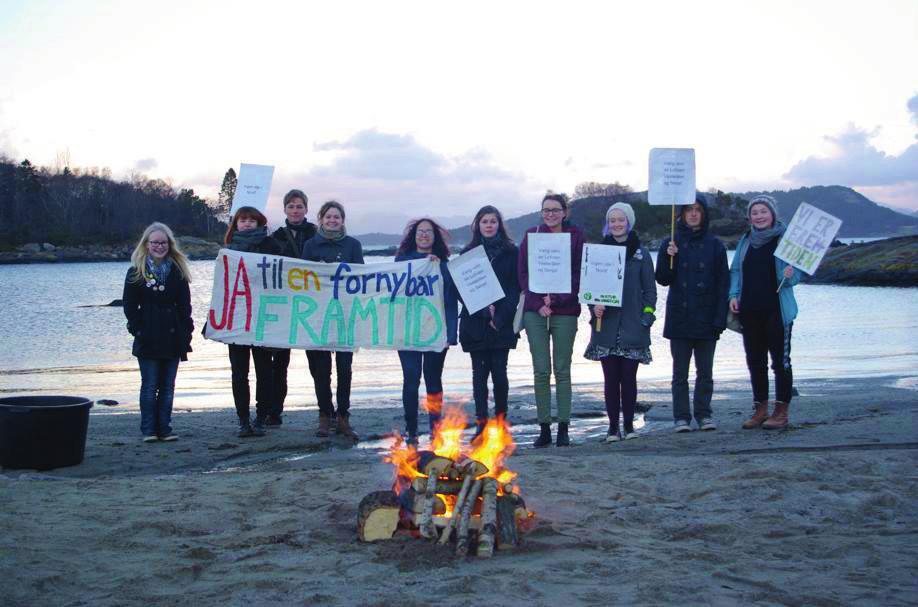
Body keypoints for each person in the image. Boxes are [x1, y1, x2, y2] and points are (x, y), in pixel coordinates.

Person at [655, 194, 729, 433]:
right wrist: (669, 256)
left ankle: (704, 415)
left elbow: (723, 284)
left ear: (704, 213)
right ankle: (681, 418)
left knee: (705, 373)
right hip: (680, 317)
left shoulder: (715, 245)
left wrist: (720, 318)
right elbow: (663, 279)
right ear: (682, 214)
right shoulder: (671, 241)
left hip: (707, 318)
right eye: (689, 210)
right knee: (680, 374)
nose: (694, 214)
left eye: (698, 209)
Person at [585, 203, 657, 442]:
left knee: (628, 379)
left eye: (621, 219)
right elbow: (590, 289)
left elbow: (650, 291)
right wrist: (593, 306)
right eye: (612, 220)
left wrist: (646, 317)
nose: (616, 224)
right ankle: (612, 428)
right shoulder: (598, 253)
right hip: (605, 326)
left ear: (629, 222)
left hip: (633, 327)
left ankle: (629, 426)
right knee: (610, 380)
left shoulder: (641, 254)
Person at [518, 193, 585, 447]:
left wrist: (555, 300)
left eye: (555, 210)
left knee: (563, 369)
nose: (550, 214)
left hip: (565, 311)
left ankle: (564, 428)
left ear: (565, 212)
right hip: (536, 312)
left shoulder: (576, 236)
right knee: (541, 370)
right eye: (546, 210)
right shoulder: (531, 235)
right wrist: (537, 303)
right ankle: (544, 427)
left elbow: (579, 273)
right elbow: (522, 273)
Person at [729, 194, 800, 430]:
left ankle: (781, 412)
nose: (759, 216)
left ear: (772, 214)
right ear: (750, 217)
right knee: (755, 362)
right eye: (755, 213)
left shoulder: (786, 240)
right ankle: (760, 410)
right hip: (749, 310)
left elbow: (798, 274)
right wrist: (733, 296)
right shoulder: (746, 240)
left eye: (763, 212)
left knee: (781, 362)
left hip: (777, 311)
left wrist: (790, 275)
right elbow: (736, 271)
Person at [122, 222, 194, 443]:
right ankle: (148, 430)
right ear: (146, 244)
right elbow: (129, 306)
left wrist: (186, 330)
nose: (159, 246)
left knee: (167, 387)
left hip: (173, 336)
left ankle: (165, 428)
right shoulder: (136, 271)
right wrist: (137, 329)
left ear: (169, 244)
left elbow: (185, 305)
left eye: (163, 242)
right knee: (149, 385)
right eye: (154, 242)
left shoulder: (178, 270)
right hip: (148, 336)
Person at [302, 200, 363, 440]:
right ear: (321, 219)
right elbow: (302, 278)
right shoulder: (310, 245)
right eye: (328, 217)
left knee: (344, 369)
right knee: (321, 370)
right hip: (317, 316)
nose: (332, 220)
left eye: (337, 217)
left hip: (346, 315)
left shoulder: (353, 245)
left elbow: (362, 278)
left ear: (342, 220)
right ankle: (324, 415)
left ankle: (343, 416)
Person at [458, 206, 520, 438]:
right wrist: (485, 311)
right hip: (476, 322)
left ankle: (501, 421)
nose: (489, 225)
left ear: (499, 225)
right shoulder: (468, 253)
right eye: (485, 221)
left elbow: (516, 287)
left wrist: (500, 315)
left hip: (502, 322)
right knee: (479, 374)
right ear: (478, 225)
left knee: (500, 374)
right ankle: (481, 423)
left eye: (493, 221)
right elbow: (461, 289)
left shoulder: (511, 252)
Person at [395, 218, 458, 445]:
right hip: (408, 331)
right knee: (411, 380)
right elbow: (391, 293)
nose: (423, 235)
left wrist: (452, 333)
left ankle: (435, 428)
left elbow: (451, 299)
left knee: (433, 381)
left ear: (435, 236)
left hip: (436, 330)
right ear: (413, 236)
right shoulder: (400, 262)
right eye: (420, 232)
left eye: (428, 232)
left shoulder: (444, 265)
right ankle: (411, 430)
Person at [224, 206, 282, 437]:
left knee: (264, 371)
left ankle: (260, 417)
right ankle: (243, 420)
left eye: (251, 220)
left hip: (262, 319)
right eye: (242, 220)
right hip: (237, 320)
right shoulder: (228, 251)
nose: (247, 224)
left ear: (259, 223)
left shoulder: (270, 246)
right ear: (236, 224)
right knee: (239, 372)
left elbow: (282, 276)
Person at [265, 189, 317, 426]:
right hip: (284, 308)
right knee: (279, 364)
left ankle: (326, 412)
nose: (295, 210)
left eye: (299, 206)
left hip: (314, 307)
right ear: (284, 209)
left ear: (306, 209)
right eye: (291, 206)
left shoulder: (317, 236)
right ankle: (274, 411)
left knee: (318, 362)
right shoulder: (274, 238)